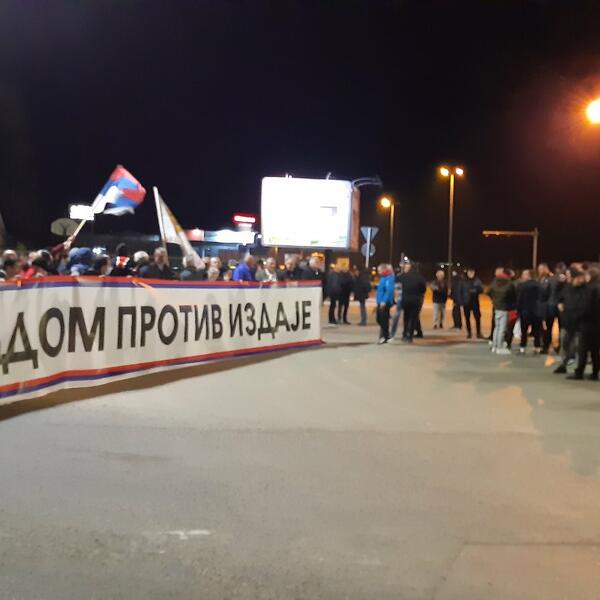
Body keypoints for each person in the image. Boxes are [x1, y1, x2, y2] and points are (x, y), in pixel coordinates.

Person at [568, 266, 600, 380]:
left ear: (590, 276)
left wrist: (577, 317)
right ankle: (595, 372)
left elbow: (586, 307)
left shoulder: (589, 289)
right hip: (597, 324)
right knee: (595, 349)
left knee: (583, 349)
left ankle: (579, 372)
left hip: (587, 323)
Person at [554, 267, 586, 374]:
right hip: (567, 321)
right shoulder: (567, 287)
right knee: (566, 343)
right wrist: (559, 304)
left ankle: (571, 365)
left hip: (579, 322)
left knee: (575, 345)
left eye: (569, 274)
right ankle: (564, 364)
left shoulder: (584, 289)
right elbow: (559, 297)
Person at [488, 267, 516, 355]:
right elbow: (513, 295)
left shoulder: (495, 281)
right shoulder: (508, 283)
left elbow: (489, 292)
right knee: (502, 328)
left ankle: (494, 346)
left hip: (496, 307)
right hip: (504, 307)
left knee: (496, 327)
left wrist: (494, 300)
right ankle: (499, 347)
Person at [397, 262, 426, 343]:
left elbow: (396, 283)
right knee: (413, 318)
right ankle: (410, 336)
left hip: (405, 299)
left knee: (406, 317)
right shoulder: (420, 277)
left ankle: (404, 334)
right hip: (416, 300)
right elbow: (423, 289)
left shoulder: (403, 276)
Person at [516, 269, 542, 354]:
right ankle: (537, 347)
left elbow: (520, 299)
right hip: (537, 311)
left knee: (524, 331)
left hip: (525, 311)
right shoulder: (539, 285)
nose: (523, 276)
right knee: (537, 331)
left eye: (524, 274)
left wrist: (518, 311)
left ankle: (522, 347)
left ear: (528, 275)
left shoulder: (523, 286)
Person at [538, 263, 558, 354]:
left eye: (540, 269)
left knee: (546, 327)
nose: (539, 271)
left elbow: (544, 292)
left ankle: (545, 346)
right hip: (552, 306)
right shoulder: (553, 278)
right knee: (548, 327)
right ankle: (549, 345)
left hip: (548, 306)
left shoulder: (547, 279)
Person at [461, 268, 484, 339]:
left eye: (472, 272)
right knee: (467, 318)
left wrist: (476, 290)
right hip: (466, 302)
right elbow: (460, 291)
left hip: (475, 302)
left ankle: (478, 333)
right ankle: (469, 333)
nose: (471, 274)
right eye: (470, 272)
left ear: (474, 273)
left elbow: (481, 290)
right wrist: (461, 301)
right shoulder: (463, 281)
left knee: (477, 318)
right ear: (467, 273)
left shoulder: (477, 281)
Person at [375, 263, 395, 344]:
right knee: (379, 319)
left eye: (379, 270)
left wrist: (384, 301)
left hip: (385, 302)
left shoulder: (389, 278)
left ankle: (385, 337)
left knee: (383, 320)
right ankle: (387, 335)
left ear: (384, 270)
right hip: (380, 302)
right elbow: (381, 289)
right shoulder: (383, 277)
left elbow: (389, 290)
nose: (378, 272)